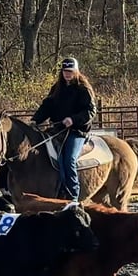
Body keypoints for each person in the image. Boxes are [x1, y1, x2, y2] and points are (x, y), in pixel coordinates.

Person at [31, 57, 97, 202]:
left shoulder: (83, 89)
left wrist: (73, 120)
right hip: (57, 130)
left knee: (69, 160)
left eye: (70, 71)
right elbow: (46, 106)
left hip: (77, 132)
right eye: (64, 71)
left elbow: (90, 111)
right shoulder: (56, 89)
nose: (67, 74)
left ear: (76, 71)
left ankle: (73, 196)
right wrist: (36, 119)